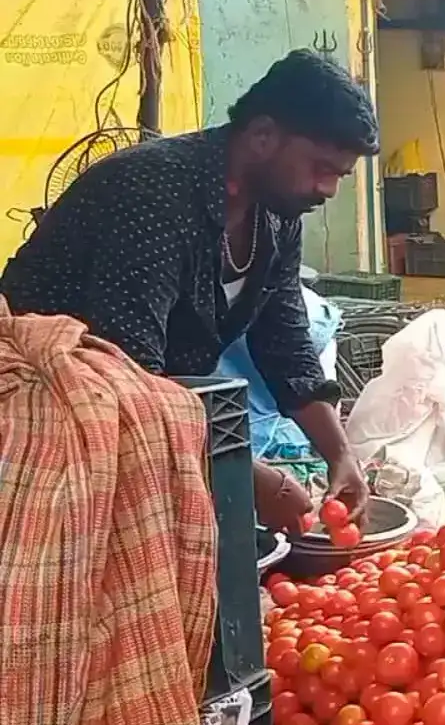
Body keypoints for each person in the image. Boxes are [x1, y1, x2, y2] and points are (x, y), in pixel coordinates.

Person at [0, 49, 377, 527]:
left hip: (136, 420)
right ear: (263, 136)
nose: (329, 190)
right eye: (321, 168)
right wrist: (243, 475)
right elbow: (130, 372)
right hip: (39, 415)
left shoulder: (278, 213)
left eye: (340, 176)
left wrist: (340, 454)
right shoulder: (151, 192)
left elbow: (286, 345)